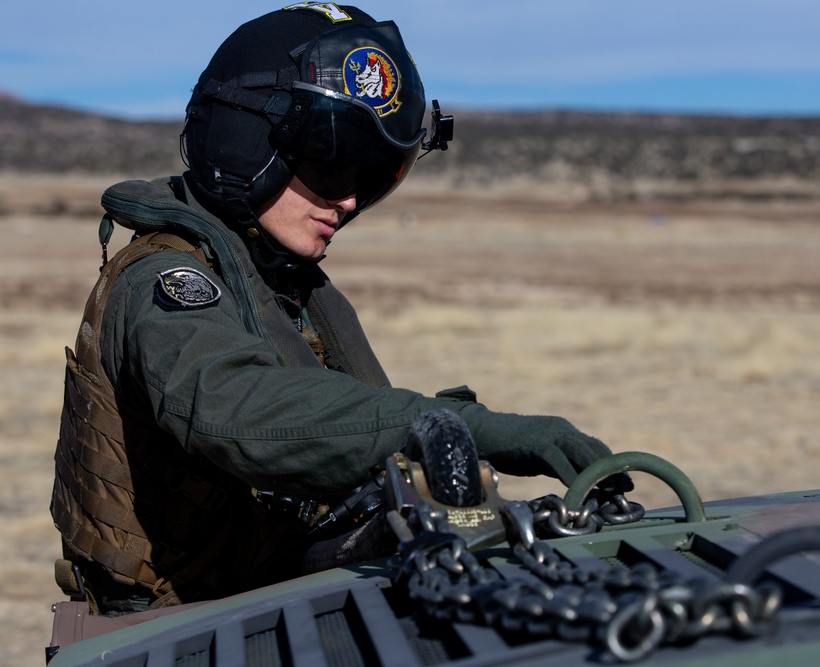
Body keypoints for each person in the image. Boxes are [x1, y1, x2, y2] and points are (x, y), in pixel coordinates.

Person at [51, 2, 628, 615]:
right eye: (329, 164)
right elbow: (232, 409)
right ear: (247, 142)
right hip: (171, 621)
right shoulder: (166, 278)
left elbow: (344, 433)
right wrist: (457, 428)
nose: (349, 200)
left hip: (265, 580)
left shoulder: (288, 281)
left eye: (372, 176)